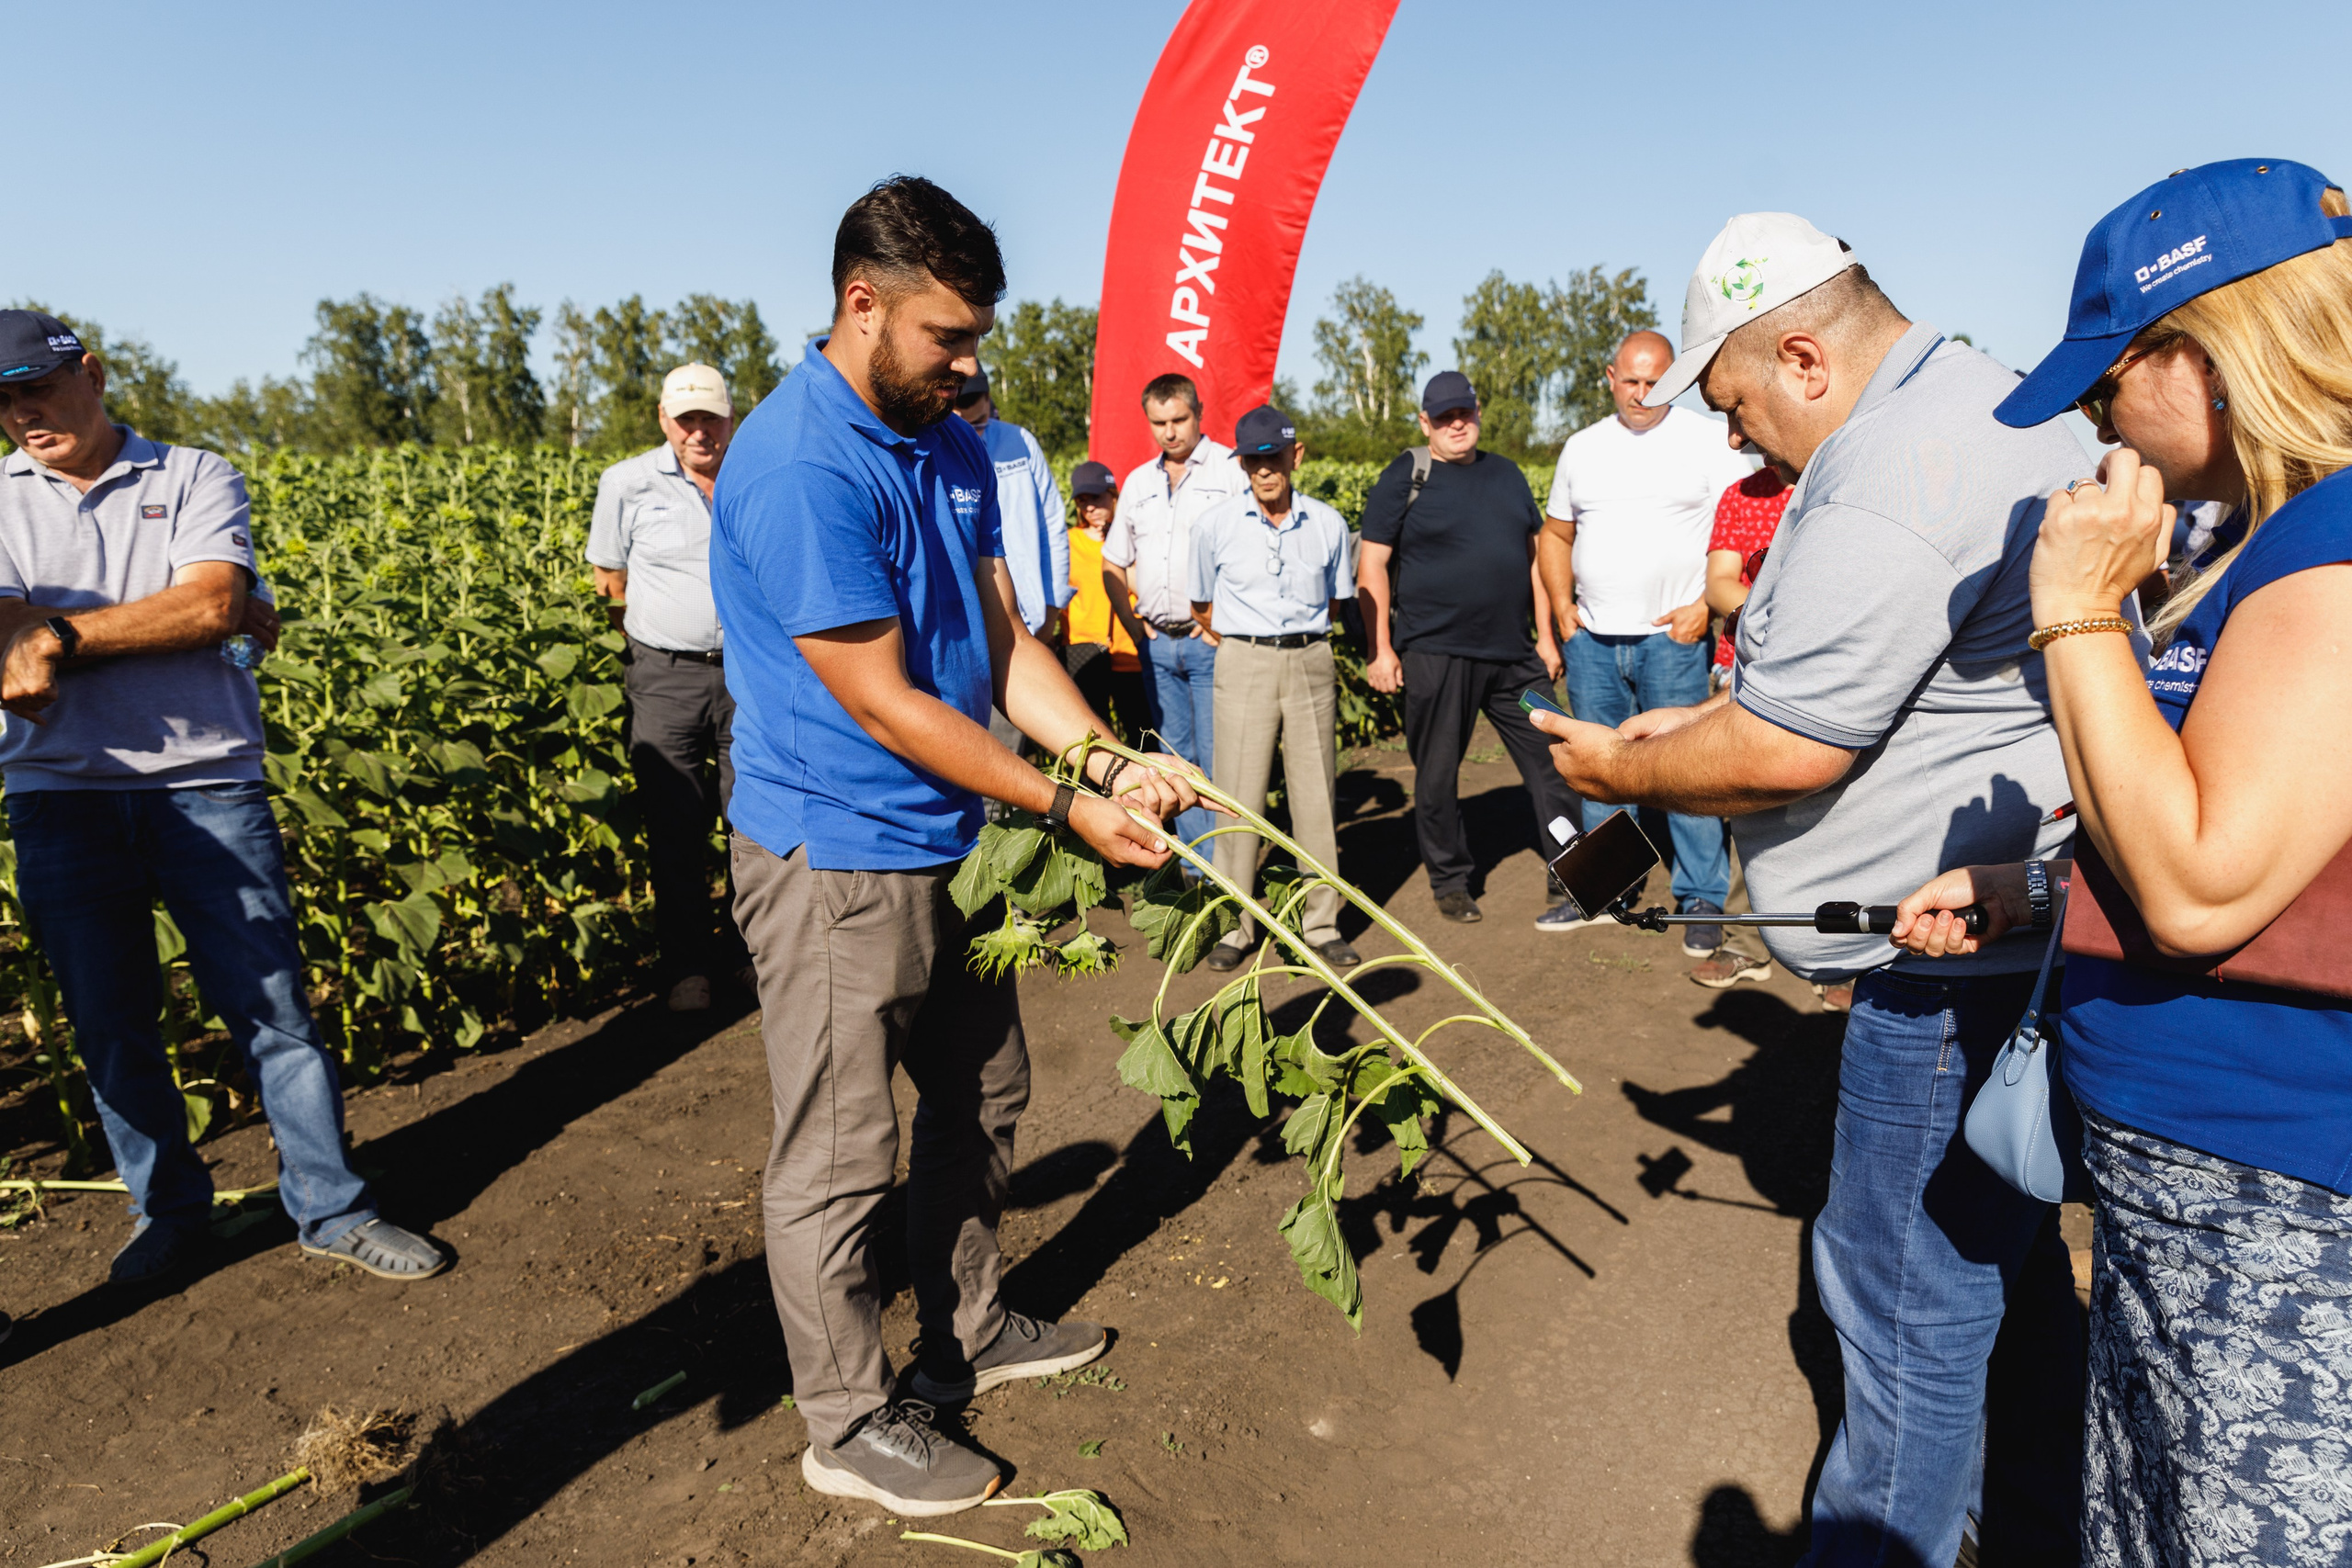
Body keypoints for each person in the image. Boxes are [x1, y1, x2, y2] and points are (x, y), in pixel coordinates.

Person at [1523, 215, 2089, 1565]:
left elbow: (1791, 747)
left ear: (1801, 357)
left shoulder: (1894, 471)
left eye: (1733, 402)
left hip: (1942, 978)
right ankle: (2026, 1526)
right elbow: (1867, 689)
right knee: (2007, 1287)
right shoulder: (1978, 405)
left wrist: (1621, 767)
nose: (1735, 438)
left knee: (1897, 1309)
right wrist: (1702, 728)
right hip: (2015, 943)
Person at [709, 177, 1205, 1516]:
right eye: (948, 335)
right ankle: (845, 1421)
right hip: (835, 853)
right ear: (861, 303)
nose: (969, 363)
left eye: (977, 336)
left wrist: (1103, 758)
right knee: (840, 1151)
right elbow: (884, 700)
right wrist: (1061, 806)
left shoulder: (945, 439)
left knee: (984, 1095)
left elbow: (1000, 641)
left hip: (951, 837)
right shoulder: (801, 463)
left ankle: (969, 1326)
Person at [1887, 158, 2352, 1567]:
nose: (2094, 419)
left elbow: (2204, 887)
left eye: (2105, 380)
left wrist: (2080, 612)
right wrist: (2042, 889)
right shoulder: (2280, 536)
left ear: (2209, 350)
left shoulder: (2336, 550)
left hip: (2272, 1191)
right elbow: (2271, 840)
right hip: (2201, 1184)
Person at [0, 308, 446, 1285]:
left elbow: (208, 605)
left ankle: (332, 1208)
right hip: (60, 793)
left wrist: (55, 633)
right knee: (108, 1020)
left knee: (271, 1005)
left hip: (207, 780)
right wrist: (161, 616)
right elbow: (6, 636)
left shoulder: (194, 474)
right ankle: (168, 1213)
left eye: (37, 387)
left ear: (93, 375)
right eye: (4, 401)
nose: (23, 412)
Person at [1538, 330, 1758, 953]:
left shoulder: (1708, 442)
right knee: (1599, 768)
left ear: (1675, 381)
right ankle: (1609, 888)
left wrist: (1702, 607)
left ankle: (1701, 897)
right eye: (1630, 381)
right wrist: (1562, 608)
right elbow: (1554, 535)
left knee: (1687, 770)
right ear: (1610, 378)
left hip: (1672, 640)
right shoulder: (1582, 448)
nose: (1641, 394)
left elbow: (1744, 525)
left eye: (1655, 383)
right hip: (1592, 642)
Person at [1357, 371, 1583, 930]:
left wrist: (1545, 636)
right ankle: (1450, 879)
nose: (1456, 424)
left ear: (1478, 412)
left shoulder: (1506, 474)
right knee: (1437, 775)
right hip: (1435, 654)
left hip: (1515, 657)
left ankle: (1570, 865)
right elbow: (1372, 565)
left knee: (1556, 756)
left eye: (1464, 413)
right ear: (1425, 423)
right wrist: (1381, 648)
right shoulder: (1406, 475)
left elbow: (1535, 559)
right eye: (1443, 417)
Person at [586, 363, 751, 1013]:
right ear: (664, 420)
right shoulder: (626, 483)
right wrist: (650, 646)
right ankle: (687, 967)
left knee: (751, 820)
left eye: (709, 417)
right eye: (686, 420)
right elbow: (610, 582)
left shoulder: (753, 476)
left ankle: (748, 956)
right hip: (664, 676)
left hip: (747, 673)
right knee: (676, 824)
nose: (698, 431)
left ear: (730, 417)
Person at [1187, 405, 1359, 974]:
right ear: (1241, 464)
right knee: (1237, 796)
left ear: (1295, 455)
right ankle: (1235, 924)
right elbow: (1201, 604)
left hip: (1311, 659)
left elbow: (1335, 602)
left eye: (1274, 458)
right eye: (1252, 461)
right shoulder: (1214, 525)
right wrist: (1246, 640)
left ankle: (1322, 923)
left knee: (1316, 796)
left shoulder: (1329, 525)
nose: (1264, 470)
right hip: (1244, 661)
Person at [1102, 372, 1244, 847]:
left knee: (1221, 757)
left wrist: (1219, 625)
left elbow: (1249, 552)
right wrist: (1134, 628)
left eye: (1179, 420)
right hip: (1158, 645)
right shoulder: (1139, 481)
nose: (1169, 432)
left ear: (1198, 413)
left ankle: (1229, 862)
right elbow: (1113, 562)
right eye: (1159, 423)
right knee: (1176, 763)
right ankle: (1195, 864)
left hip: (1211, 643)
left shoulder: (1230, 471)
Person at [1686, 468, 1792, 993]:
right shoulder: (1742, 495)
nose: (1736, 438)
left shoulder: (1860, 479)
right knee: (1751, 807)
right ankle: (1747, 942)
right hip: (1746, 667)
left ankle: (1843, 963)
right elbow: (1720, 582)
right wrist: (1782, 629)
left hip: (1838, 668)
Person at [955, 366, 1069, 643]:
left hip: (1032, 623)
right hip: (968, 630)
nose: (973, 435)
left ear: (989, 399)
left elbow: (1052, 527)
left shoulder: (1020, 442)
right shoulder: (933, 450)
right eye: (962, 427)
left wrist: (1051, 611)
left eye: (979, 423)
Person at [1061, 461, 1146, 741]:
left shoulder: (1137, 539)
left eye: (1096, 498)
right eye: (1082, 501)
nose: (1090, 508)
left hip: (1130, 652)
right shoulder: (1068, 542)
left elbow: (1146, 589)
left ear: (1113, 496)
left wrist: (1117, 544)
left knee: (1142, 736)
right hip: (1084, 653)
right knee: (1093, 741)